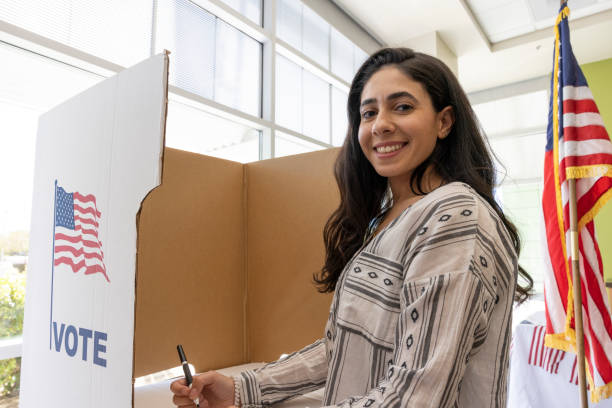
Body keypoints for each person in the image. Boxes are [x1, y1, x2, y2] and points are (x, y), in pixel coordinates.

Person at [170, 47, 533, 408]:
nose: (380, 125)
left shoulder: (453, 216)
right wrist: (241, 389)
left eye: (402, 107)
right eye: (368, 112)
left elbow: (416, 396)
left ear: (444, 121)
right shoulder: (392, 217)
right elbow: (343, 347)